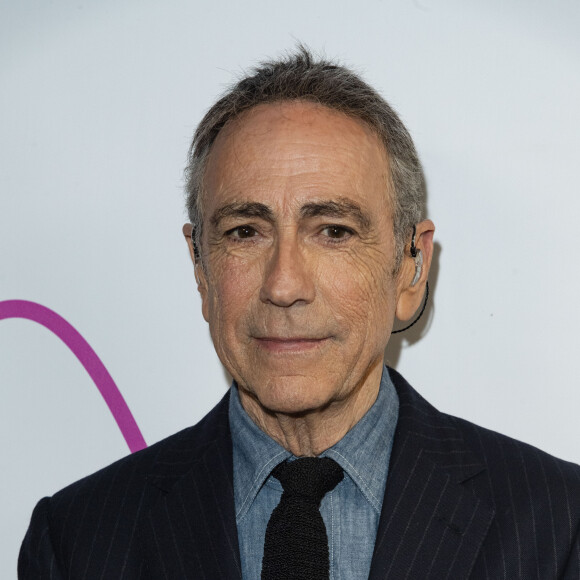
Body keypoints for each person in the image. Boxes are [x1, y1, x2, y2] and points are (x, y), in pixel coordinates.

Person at [19, 47, 580, 579]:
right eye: (245, 232)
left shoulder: (557, 524)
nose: (284, 285)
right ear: (200, 268)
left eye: (333, 231)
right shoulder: (77, 539)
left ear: (411, 266)